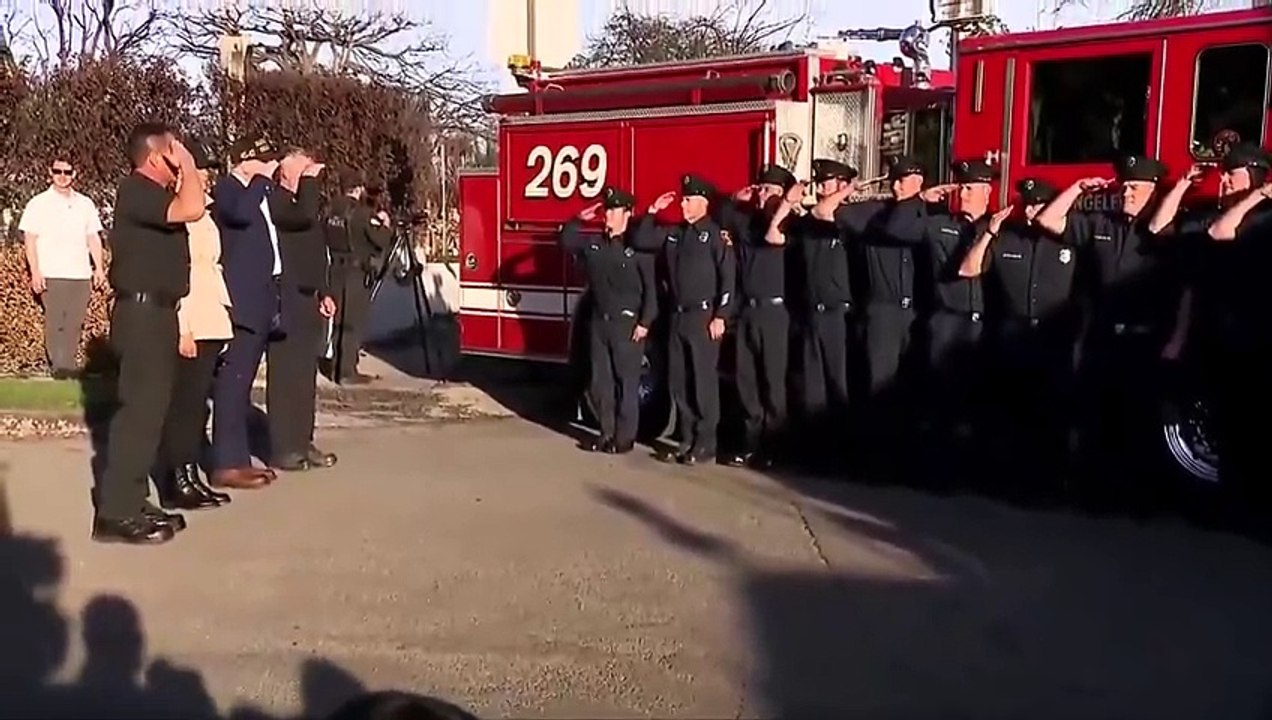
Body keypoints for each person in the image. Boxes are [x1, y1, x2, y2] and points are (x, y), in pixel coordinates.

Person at [1034, 154, 1192, 509]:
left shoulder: (1162, 228)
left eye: (1136, 187)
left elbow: (1182, 283)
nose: (1126, 192)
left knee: (1136, 421)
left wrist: (1175, 339)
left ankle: (1136, 501)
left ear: (1154, 191)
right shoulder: (1101, 224)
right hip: (1104, 336)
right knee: (1097, 416)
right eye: (1124, 186)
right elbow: (1048, 219)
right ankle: (1094, 496)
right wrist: (1075, 188)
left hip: (1143, 338)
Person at [93, 124, 204, 545]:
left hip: (158, 313)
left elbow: (192, 203)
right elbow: (193, 207)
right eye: (174, 149)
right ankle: (116, 512)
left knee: (151, 413)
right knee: (137, 414)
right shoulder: (136, 188)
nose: (181, 155)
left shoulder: (156, 196)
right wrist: (189, 164)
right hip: (140, 315)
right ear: (157, 157)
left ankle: (133, 498)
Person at [959, 177, 1079, 496]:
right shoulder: (1007, 239)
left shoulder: (1069, 243)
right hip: (1014, 337)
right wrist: (989, 233)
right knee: (1014, 414)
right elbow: (969, 269)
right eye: (1028, 205)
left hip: (1054, 337)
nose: (1031, 212)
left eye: (1038, 205)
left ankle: (1050, 486)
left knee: (1051, 416)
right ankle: (1010, 483)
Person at [763, 159, 862, 471]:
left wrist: (846, 193)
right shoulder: (806, 224)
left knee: (839, 387)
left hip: (839, 316)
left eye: (828, 182)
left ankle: (843, 457)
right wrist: (789, 202)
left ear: (843, 185)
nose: (820, 188)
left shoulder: (849, 219)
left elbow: (826, 211)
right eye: (819, 182)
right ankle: (815, 456)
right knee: (813, 389)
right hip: (810, 314)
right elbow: (772, 236)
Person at [153, 138, 235, 512]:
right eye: (202, 169)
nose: (208, 176)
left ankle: (189, 473)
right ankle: (176, 478)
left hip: (211, 311)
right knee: (184, 403)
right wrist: (182, 326)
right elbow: (178, 270)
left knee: (197, 401)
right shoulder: (181, 213)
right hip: (192, 315)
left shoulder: (206, 213)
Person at [634, 175, 735, 465]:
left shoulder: (716, 236)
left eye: (688, 199)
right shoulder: (675, 234)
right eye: (683, 198)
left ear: (703, 202)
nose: (682, 203)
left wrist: (721, 315)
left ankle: (706, 442)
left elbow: (728, 279)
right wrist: (652, 211)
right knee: (679, 381)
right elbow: (642, 239)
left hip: (704, 317)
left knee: (703, 382)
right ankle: (687, 437)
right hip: (678, 316)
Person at [209, 137, 284, 490]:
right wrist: (259, 181)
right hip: (242, 298)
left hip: (263, 296)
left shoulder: (262, 194)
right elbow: (237, 215)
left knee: (243, 385)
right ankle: (226, 461)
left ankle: (238, 458)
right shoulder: (229, 188)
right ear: (243, 160)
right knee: (232, 383)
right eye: (261, 159)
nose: (269, 166)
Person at [559, 186, 657, 454]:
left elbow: (651, 290)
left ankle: (624, 438)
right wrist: (580, 217)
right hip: (599, 323)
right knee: (600, 382)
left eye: (614, 210)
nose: (608, 215)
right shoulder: (595, 244)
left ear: (628, 213)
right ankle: (607, 432)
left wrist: (645, 322)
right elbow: (566, 239)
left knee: (626, 382)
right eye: (607, 210)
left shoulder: (637, 250)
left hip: (627, 323)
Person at [718, 166, 796, 469]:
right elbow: (723, 215)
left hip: (774, 312)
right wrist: (736, 197)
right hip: (748, 310)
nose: (763, 195)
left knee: (773, 383)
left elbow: (773, 234)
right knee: (746, 381)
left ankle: (774, 449)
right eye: (761, 189)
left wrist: (783, 204)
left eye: (770, 190)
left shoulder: (785, 224)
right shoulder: (747, 222)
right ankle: (750, 446)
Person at [266, 147, 338, 471]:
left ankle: (303, 440)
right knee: (286, 375)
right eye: (303, 170)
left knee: (305, 375)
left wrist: (325, 290)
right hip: (286, 296)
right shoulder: (277, 201)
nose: (311, 177)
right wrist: (308, 182)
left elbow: (315, 247)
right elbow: (303, 218)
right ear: (286, 172)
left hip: (309, 296)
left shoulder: (304, 205)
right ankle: (284, 446)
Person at [18, 155, 106, 379]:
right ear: (51, 172)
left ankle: (67, 365)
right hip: (52, 272)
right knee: (56, 320)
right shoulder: (38, 203)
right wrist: (35, 271)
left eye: (67, 172)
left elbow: (93, 238)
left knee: (74, 323)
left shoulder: (85, 204)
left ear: (74, 174)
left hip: (80, 274)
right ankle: (60, 366)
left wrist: (99, 269)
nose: (62, 177)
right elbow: (30, 239)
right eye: (58, 171)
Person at [327, 177, 392, 384]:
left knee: (337, 322)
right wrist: (386, 225)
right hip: (355, 274)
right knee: (352, 324)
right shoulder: (362, 213)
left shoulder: (330, 211)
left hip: (333, 271)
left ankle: (335, 367)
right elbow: (380, 240)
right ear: (357, 189)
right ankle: (347, 371)